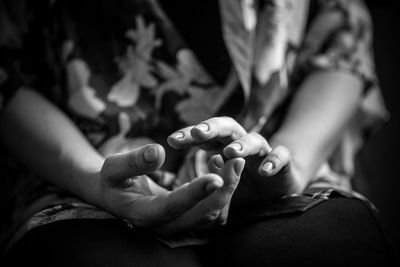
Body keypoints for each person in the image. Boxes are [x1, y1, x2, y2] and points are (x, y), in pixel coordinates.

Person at [0, 0, 398, 266]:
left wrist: (285, 165)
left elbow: (342, 38)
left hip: (287, 172)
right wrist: (93, 178)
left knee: (324, 250)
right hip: (79, 173)